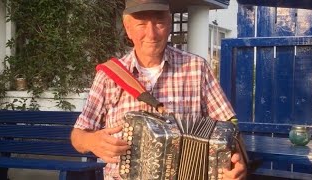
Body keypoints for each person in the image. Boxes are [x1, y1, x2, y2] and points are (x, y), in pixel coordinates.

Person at [71, 0, 247, 179]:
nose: (152, 33)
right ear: (128, 28)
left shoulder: (196, 67)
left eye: (159, 23)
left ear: (170, 25)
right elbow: (78, 135)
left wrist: (238, 163)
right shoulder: (109, 75)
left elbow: (229, 124)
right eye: (141, 24)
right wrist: (92, 141)